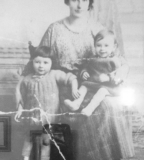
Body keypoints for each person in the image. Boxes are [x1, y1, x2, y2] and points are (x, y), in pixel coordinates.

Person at [20, 0, 135, 159]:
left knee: (114, 105)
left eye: (84, 0)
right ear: (68, 2)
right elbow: (40, 56)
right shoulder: (55, 29)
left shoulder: (96, 28)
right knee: (102, 109)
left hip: (94, 83)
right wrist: (24, 75)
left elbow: (117, 59)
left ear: (90, 3)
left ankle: (114, 155)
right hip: (67, 86)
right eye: (75, 0)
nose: (80, 5)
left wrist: (115, 76)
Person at [15, 46, 79, 160]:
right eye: (37, 62)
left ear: (51, 63)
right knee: (28, 138)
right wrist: (19, 109)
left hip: (49, 120)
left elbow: (71, 78)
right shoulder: (27, 79)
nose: (41, 66)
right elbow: (22, 98)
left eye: (45, 62)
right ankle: (25, 158)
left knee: (46, 141)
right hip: (32, 119)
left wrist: (74, 89)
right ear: (32, 62)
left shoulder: (54, 74)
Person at [64, 29, 129, 117]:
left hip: (111, 87)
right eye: (99, 45)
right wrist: (84, 72)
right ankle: (76, 103)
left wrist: (108, 77)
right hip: (96, 84)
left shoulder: (115, 60)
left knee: (102, 91)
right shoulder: (93, 58)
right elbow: (87, 67)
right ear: (94, 46)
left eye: (106, 46)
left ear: (113, 47)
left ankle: (89, 109)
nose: (102, 49)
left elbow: (120, 75)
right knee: (84, 85)